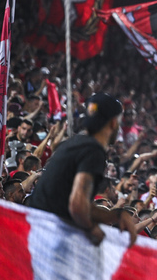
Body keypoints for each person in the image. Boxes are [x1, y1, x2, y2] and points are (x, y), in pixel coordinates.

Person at [27, 93, 136, 247]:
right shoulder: (93, 151)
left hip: (38, 230)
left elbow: (80, 203)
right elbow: (77, 206)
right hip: (50, 237)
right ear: (113, 123)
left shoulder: (75, 143)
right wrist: (92, 229)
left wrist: (116, 215)